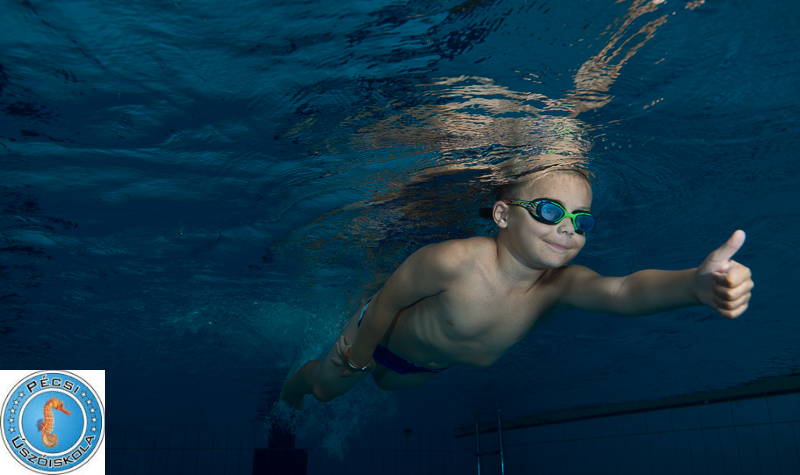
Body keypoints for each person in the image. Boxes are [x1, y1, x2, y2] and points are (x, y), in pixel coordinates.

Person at [280, 165, 753, 410]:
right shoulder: (454, 260)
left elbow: (624, 292)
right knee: (327, 390)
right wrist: (358, 358)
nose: (567, 228)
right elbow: (386, 303)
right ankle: (291, 390)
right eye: (550, 211)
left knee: (385, 386)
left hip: (424, 367)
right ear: (503, 215)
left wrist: (694, 286)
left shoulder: (560, 286)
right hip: (376, 338)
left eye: (581, 221)